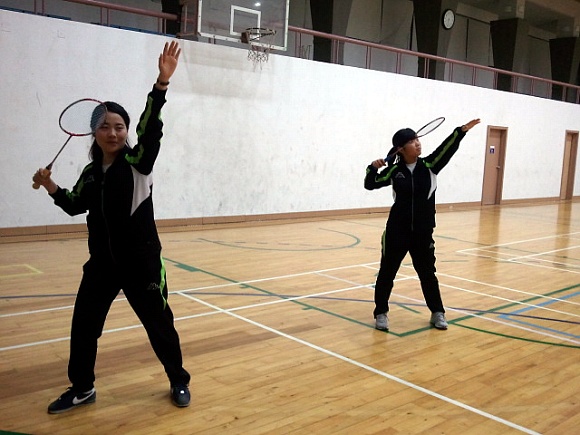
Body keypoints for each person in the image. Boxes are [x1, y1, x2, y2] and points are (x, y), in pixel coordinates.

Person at [33, 41, 191, 413]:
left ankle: (178, 380)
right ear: (94, 133)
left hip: (141, 264)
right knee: (84, 327)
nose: (113, 133)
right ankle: (82, 388)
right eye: (105, 127)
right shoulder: (92, 173)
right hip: (102, 265)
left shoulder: (138, 163)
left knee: (159, 325)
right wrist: (51, 185)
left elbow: (151, 131)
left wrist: (161, 85)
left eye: (119, 127)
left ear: (126, 131)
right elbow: (74, 204)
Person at [364, 118, 481, 331]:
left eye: (417, 139)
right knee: (387, 273)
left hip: (422, 232)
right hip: (396, 231)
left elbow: (446, 149)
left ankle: (438, 312)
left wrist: (461, 131)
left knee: (427, 274)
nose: (417, 143)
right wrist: (372, 168)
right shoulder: (394, 171)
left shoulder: (430, 166)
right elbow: (370, 184)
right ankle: (380, 312)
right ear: (401, 149)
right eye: (412, 141)